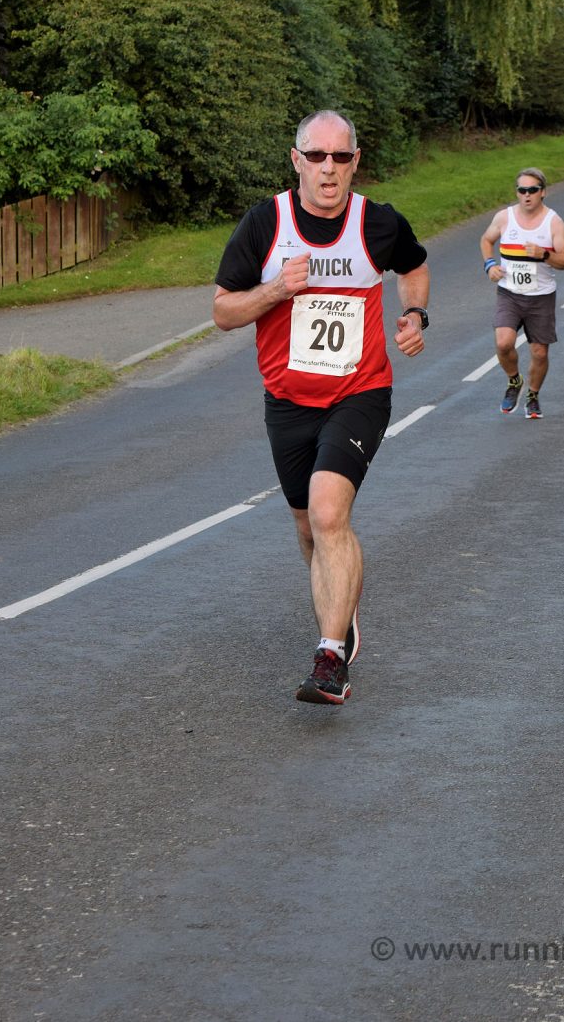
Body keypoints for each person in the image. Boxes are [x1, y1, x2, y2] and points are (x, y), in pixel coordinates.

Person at [212, 110, 430, 705]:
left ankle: (329, 657)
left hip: (359, 393)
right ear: (296, 160)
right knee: (308, 526)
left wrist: (414, 314)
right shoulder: (266, 224)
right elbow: (224, 311)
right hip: (287, 401)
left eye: (340, 157)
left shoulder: (377, 223)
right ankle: (343, 604)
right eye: (317, 156)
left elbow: (413, 265)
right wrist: (277, 289)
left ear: (356, 161)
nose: (328, 169)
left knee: (330, 514)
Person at [480, 168, 564, 419]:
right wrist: (490, 265)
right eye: (522, 190)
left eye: (532, 190)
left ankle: (533, 395)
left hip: (541, 296)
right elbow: (486, 240)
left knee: (539, 352)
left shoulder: (553, 222)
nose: (527, 195)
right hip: (509, 293)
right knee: (503, 343)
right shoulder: (504, 217)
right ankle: (514, 381)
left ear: (542, 192)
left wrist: (544, 254)